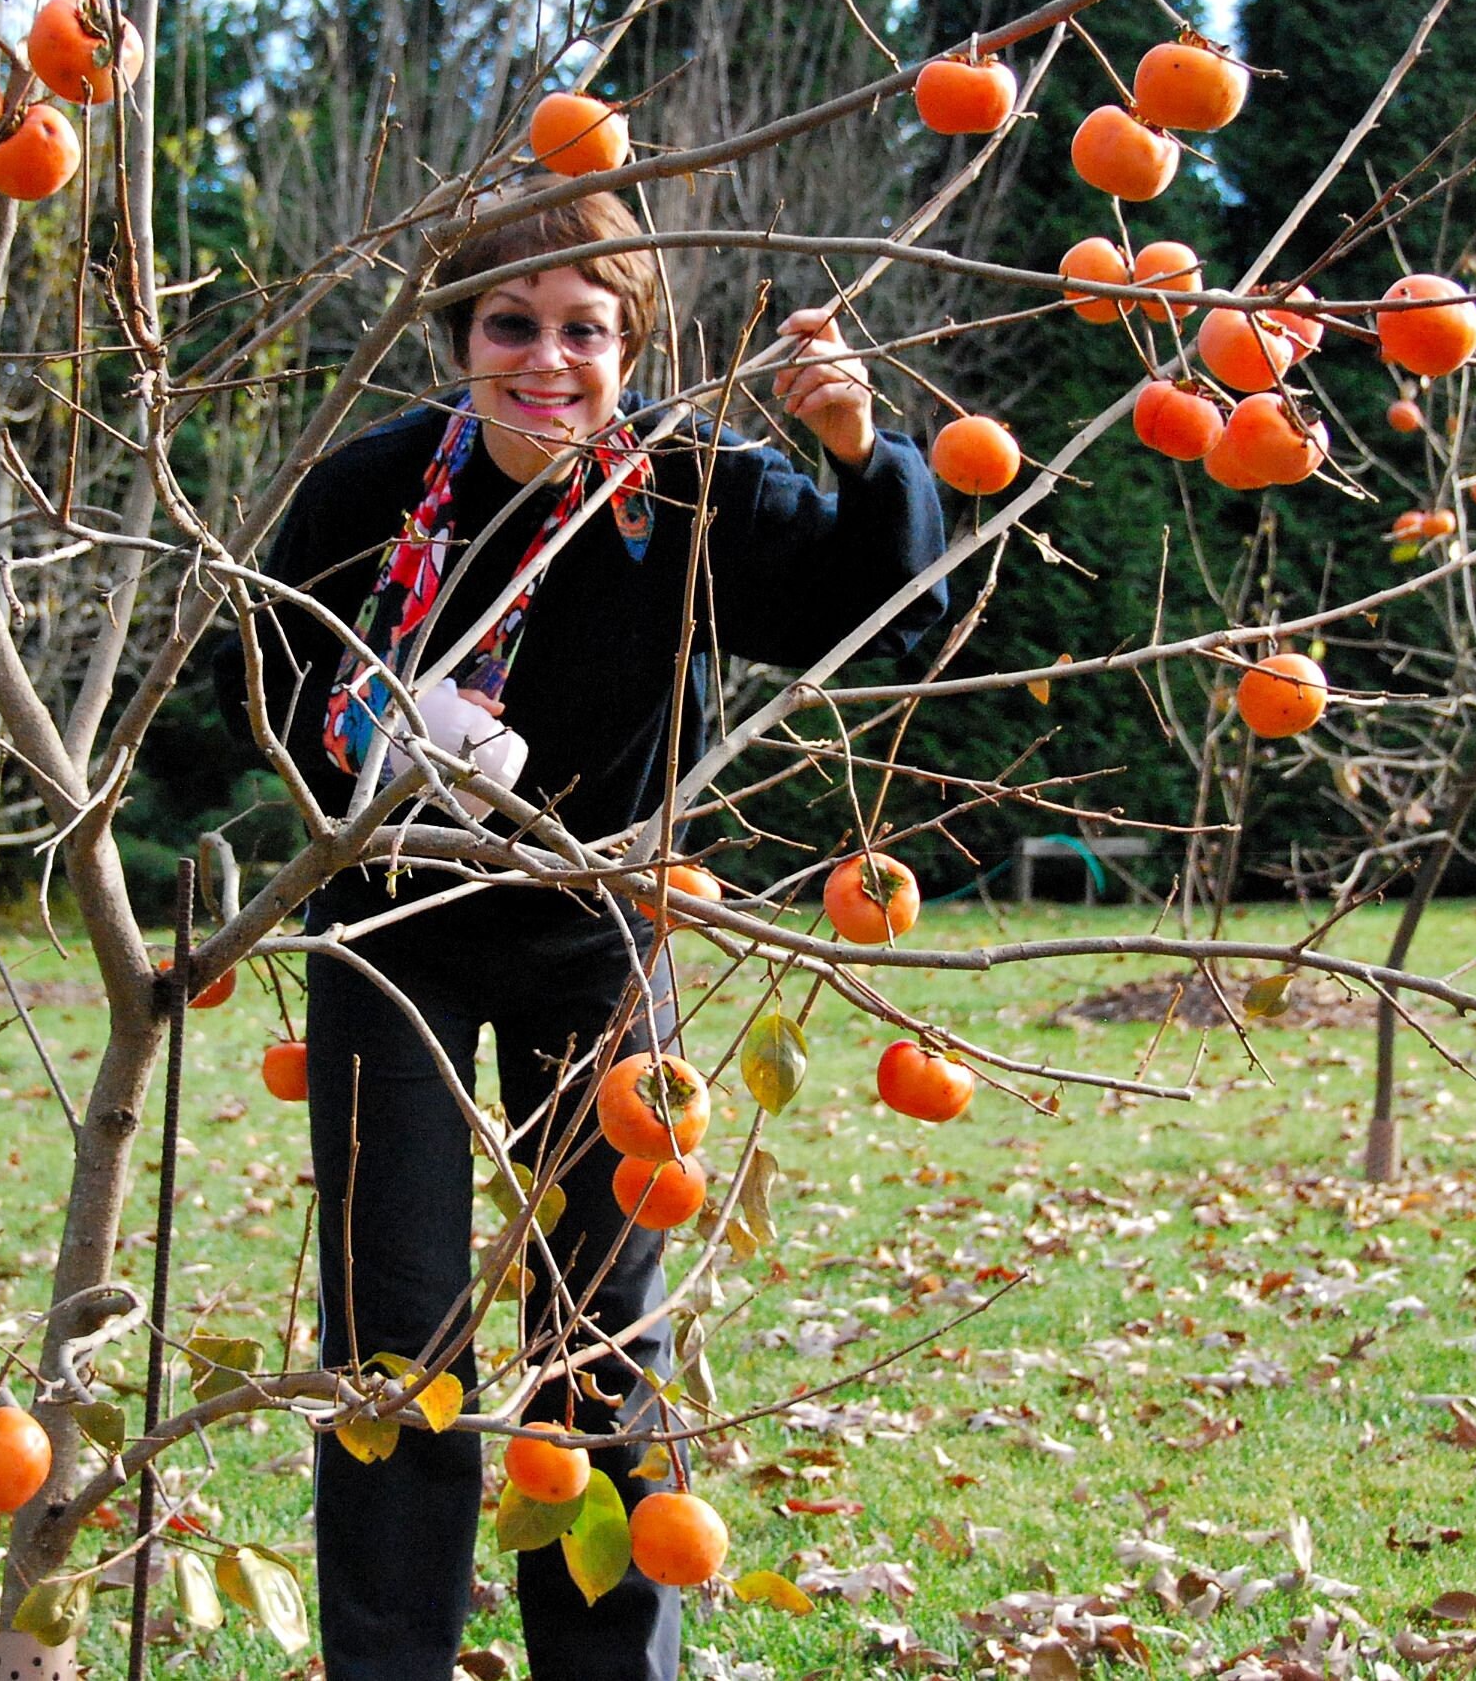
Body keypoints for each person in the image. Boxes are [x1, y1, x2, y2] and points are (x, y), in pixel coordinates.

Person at [213, 185, 948, 1681]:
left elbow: (887, 611)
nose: (545, 360)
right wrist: (379, 722)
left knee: (599, 1328)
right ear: (458, 337)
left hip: (598, 934)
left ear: (634, 343)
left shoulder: (692, 487)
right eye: (510, 325)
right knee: (393, 1335)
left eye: (583, 330)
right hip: (388, 927)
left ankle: (614, 1670)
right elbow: (266, 668)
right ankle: (389, 1665)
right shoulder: (373, 490)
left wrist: (862, 451)